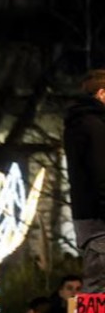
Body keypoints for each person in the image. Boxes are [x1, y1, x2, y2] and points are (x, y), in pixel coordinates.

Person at [65, 69, 105, 293]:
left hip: (90, 220)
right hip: (99, 222)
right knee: (99, 292)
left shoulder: (79, 124)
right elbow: (101, 174)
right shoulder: (94, 126)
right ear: (102, 94)